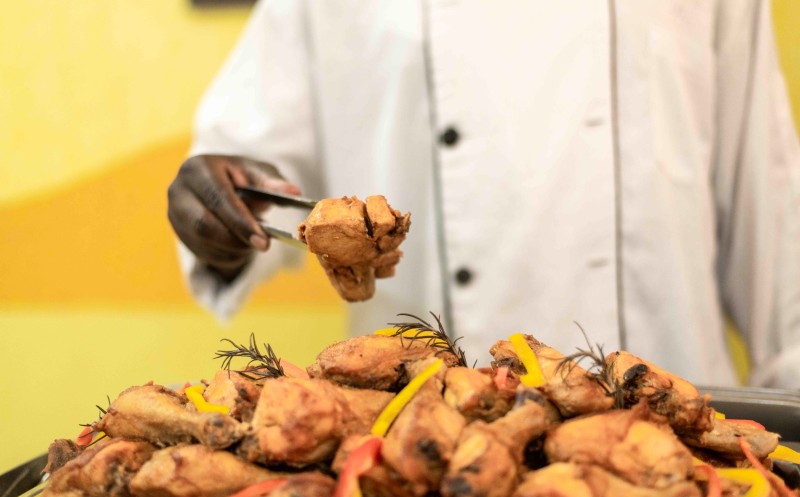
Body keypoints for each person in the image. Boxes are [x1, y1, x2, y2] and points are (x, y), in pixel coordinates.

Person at [168, 0, 800, 388]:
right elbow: (256, 183)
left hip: (669, 425)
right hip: (433, 445)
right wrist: (223, 211)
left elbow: (770, 206)